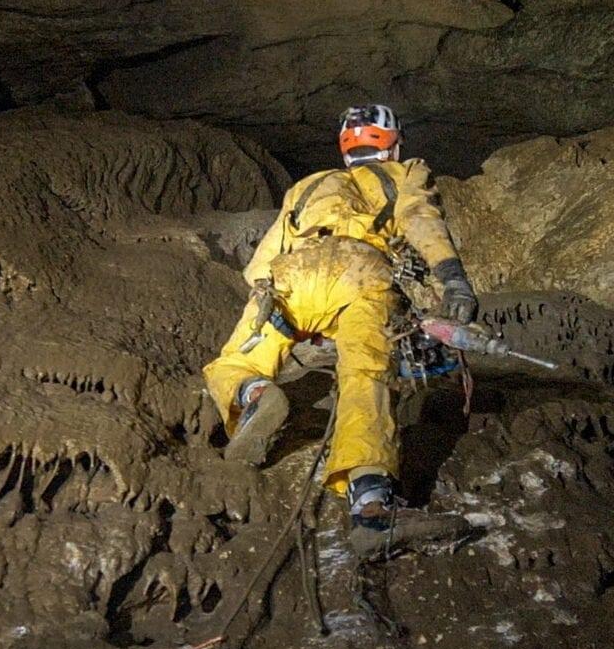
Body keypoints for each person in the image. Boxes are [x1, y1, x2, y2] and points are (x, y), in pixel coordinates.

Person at [203, 104, 480, 554]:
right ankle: (371, 509)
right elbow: (421, 219)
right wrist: (453, 278)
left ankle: (255, 394)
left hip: (288, 278)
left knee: (234, 360)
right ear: (392, 142)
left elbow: (257, 267)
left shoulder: (307, 186)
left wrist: (289, 314)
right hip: (360, 273)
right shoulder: (404, 173)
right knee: (364, 377)